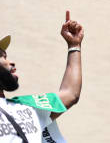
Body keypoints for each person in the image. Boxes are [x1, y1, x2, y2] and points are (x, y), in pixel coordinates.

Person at [0, 10, 83, 143]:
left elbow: (70, 93)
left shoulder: (24, 106)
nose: (11, 62)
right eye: (2, 57)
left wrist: (74, 46)